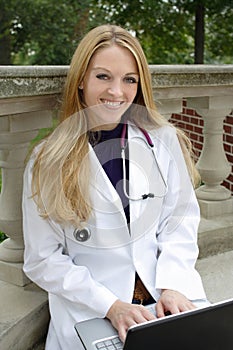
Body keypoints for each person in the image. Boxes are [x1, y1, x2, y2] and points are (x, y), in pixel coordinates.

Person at [22, 24, 208, 349]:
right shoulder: (47, 160)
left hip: (163, 297)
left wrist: (175, 286)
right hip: (93, 310)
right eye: (103, 76)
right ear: (81, 80)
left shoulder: (163, 141)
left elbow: (180, 224)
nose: (117, 92)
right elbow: (43, 259)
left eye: (129, 79)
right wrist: (111, 306)